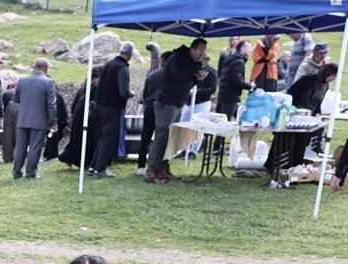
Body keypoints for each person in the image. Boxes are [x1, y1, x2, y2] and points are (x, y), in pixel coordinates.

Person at [147, 39, 208, 185]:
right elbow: (180, 76)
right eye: (201, 50)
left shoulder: (189, 62)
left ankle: (163, 169)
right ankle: (151, 171)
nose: (202, 54)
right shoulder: (178, 58)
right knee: (162, 136)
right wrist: (199, 66)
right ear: (193, 48)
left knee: (170, 137)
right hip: (166, 102)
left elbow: (186, 82)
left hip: (177, 103)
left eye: (204, 51)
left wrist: (197, 78)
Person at [89, 43, 134, 178]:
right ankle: (100, 169)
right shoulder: (122, 68)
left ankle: (93, 166)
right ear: (130, 54)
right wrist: (130, 94)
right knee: (108, 139)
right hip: (112, 107)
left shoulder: (109, 64)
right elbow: (123, 91)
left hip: (100, 105)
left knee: (102, 137)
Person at [13, 59, 58, 181]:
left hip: (23, 118)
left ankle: (16, 172)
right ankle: (31, 173)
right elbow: (52, 104)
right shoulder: (48, 82)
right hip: (39, 119)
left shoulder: (22, 80)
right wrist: (52, 121)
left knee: (20, 146)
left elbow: (15, 99)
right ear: (46, 68)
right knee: (35, 147)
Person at [59, 66, 102, 171]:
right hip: (87, 114)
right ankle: (84, 161)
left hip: (79, 113)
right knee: (87, 139)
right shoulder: (96, 84)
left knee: (78, 138)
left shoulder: (87, 83)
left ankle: (69, 157)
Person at [216, 41, 253, 120]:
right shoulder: (239, 62)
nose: (251, 50)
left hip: (223, 94)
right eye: (249, 48)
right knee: (224, 121)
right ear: (242, 49)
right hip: (231, 96)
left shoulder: (231, 59)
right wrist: (250, 86)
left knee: (222, 119)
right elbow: (237, 80)